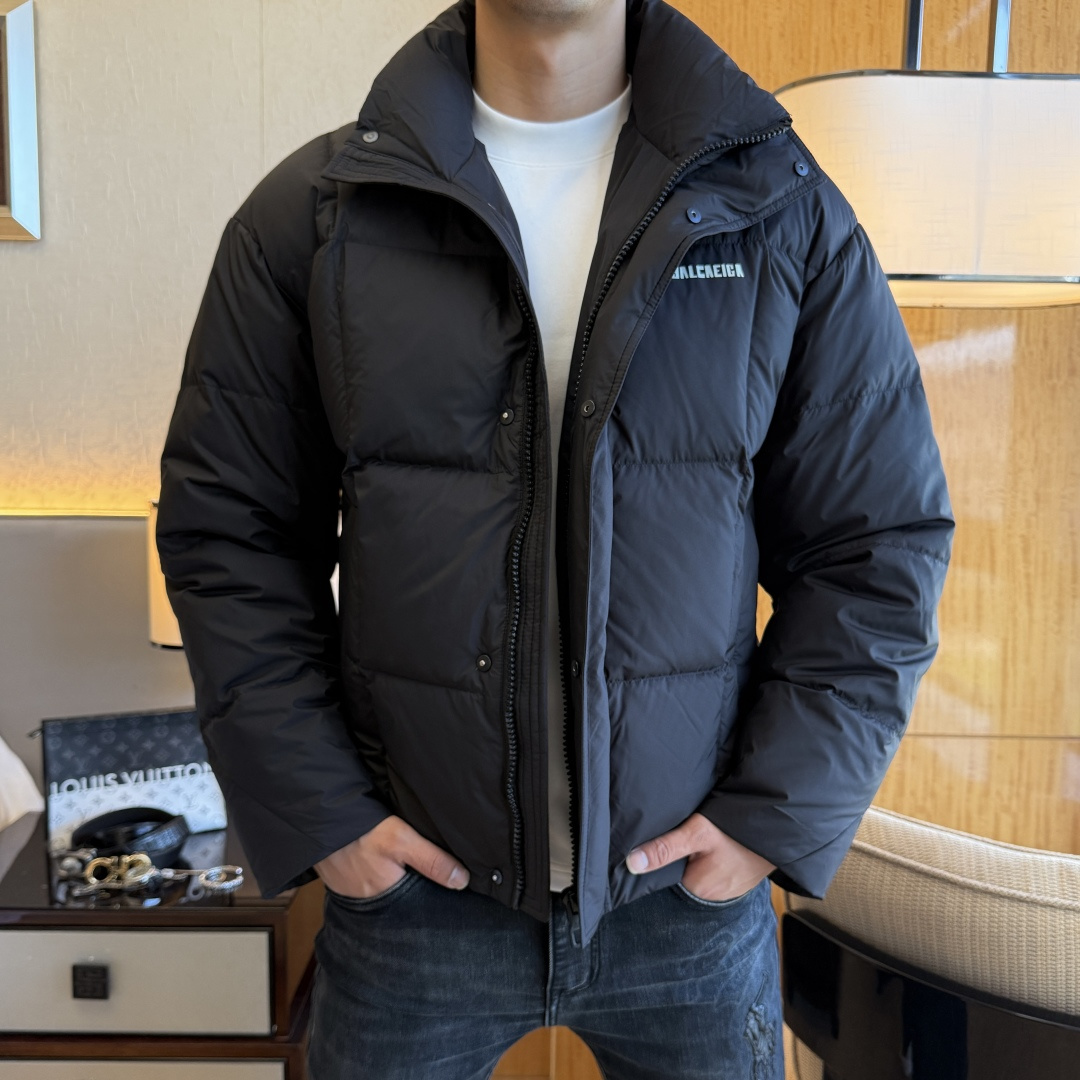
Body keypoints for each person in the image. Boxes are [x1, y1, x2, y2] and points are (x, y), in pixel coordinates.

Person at [156, 0, 953, 1076]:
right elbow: (230, 534)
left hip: (686, 906)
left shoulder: (781, 209)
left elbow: (877, 547)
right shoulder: (316, 215)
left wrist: (770, 819)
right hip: (411, 906)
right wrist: (324, 816)